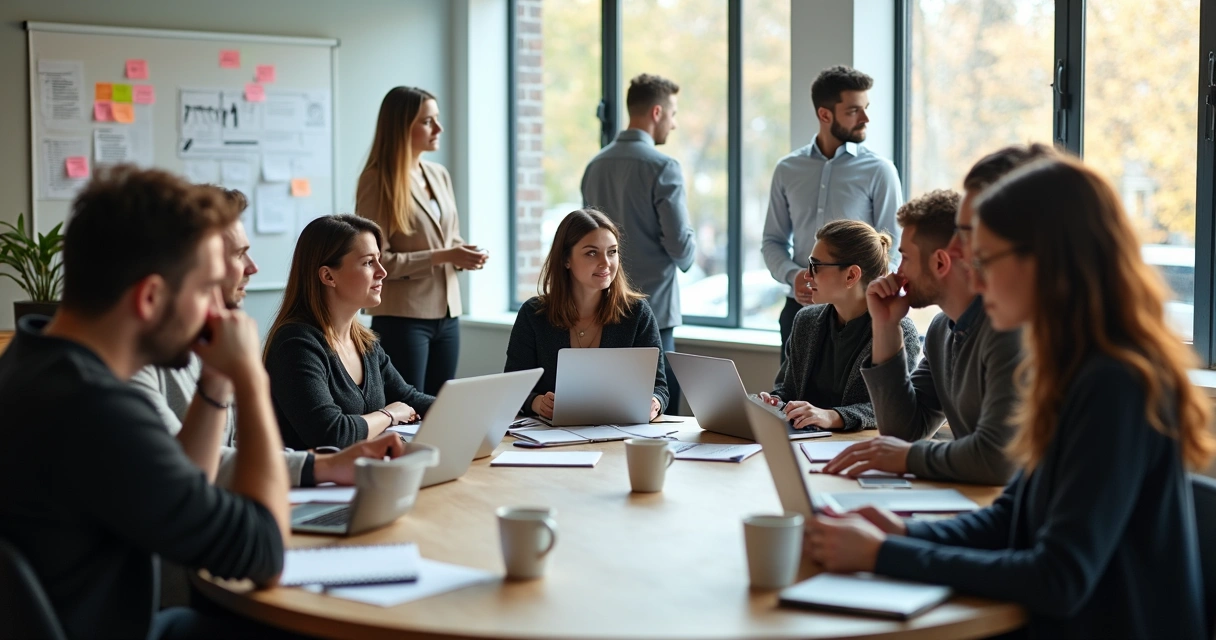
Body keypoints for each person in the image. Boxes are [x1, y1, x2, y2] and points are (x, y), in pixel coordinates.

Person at [805, 156, 1215, 639]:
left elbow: (1058, 577)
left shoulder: (1113, 383)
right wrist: (899, 532)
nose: (974, 281)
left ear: (1046, 261)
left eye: (987, 260)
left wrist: (882, 553)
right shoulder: (1066, 364)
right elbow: (1011, 516)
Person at [0, 166, 288, 638]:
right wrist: (252, 381)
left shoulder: (29, 363)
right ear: (151, 297)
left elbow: (181, 491)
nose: (215, 312)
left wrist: (216, 382)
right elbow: (265, 554)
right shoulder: (97, 412)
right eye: (203, 290)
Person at [132, 187, 409, 488]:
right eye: (237, 255)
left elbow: (232, 454)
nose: (253, 267)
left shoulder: (207, 349)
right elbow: (187, 476)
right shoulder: (134, 370)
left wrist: (325, 465)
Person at [825, 145, 1055, 485]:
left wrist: (905, 458)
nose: (896, 272)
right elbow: (905, 431)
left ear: (941, 262)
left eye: (904, 257)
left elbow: (996, 460)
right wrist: (885, 327)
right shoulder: (941, 330)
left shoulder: (1008, 329)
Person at [762, 65, 904, 364]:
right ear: (825, 115)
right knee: (790, 399)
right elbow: (772, 241)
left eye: (865, 108)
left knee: (850, 403)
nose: (866, 118)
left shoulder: (880, 171)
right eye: (854, 110)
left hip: (857, 316)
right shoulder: (787, 169)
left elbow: (893, 249)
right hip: (796, 312)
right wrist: (794, 275)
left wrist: (863, 296)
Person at [356, 86, 487, 396]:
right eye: (428, 121)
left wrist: (465, 254)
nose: (438, 128)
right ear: (402, 127)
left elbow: (448, 238)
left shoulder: (438, 174)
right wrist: (443, 255)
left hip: (448, 314)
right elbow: (377, 259)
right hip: (403, 317)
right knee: (409, 410)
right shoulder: (377, 180)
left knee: (443, 406)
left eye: (436, 119)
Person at [264, 214, 435, 450]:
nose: (382, 272)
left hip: (361, 475)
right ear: (328, 276)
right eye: (368, 262)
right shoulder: (295, 345)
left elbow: (409, 397)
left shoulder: (365, 342)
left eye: (379, 259)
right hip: (311, 485)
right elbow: (331, 435)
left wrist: (476, 408)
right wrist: (389, 414)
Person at [581, 73, 696, 413]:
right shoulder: (664, 167)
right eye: (673, 115)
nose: (673, 125)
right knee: (658, 412)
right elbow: (681, 248)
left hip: (598, 308)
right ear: (657, 112)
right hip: (654, 312)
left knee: (603, 412)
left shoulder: (595, 165)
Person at [505, 208, 668, 420]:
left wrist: (654, 402)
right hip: (551, 439)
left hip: (621, 434)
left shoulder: (637, 313)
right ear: (566, 259)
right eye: (592, 252)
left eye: (612, 252)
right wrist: (538, 403)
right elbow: (513, 386)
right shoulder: (533, 314)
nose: (606, 263)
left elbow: (660, 387)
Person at [758, 220, 920, 431]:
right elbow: (787, 390)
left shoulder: (898, 331)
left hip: (856, 448)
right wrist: (774, 402)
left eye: (815, 266)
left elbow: (893, 407)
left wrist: (833, 417)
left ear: (851, 275)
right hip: (802, 445)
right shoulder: (805, 320)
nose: (807, 275)